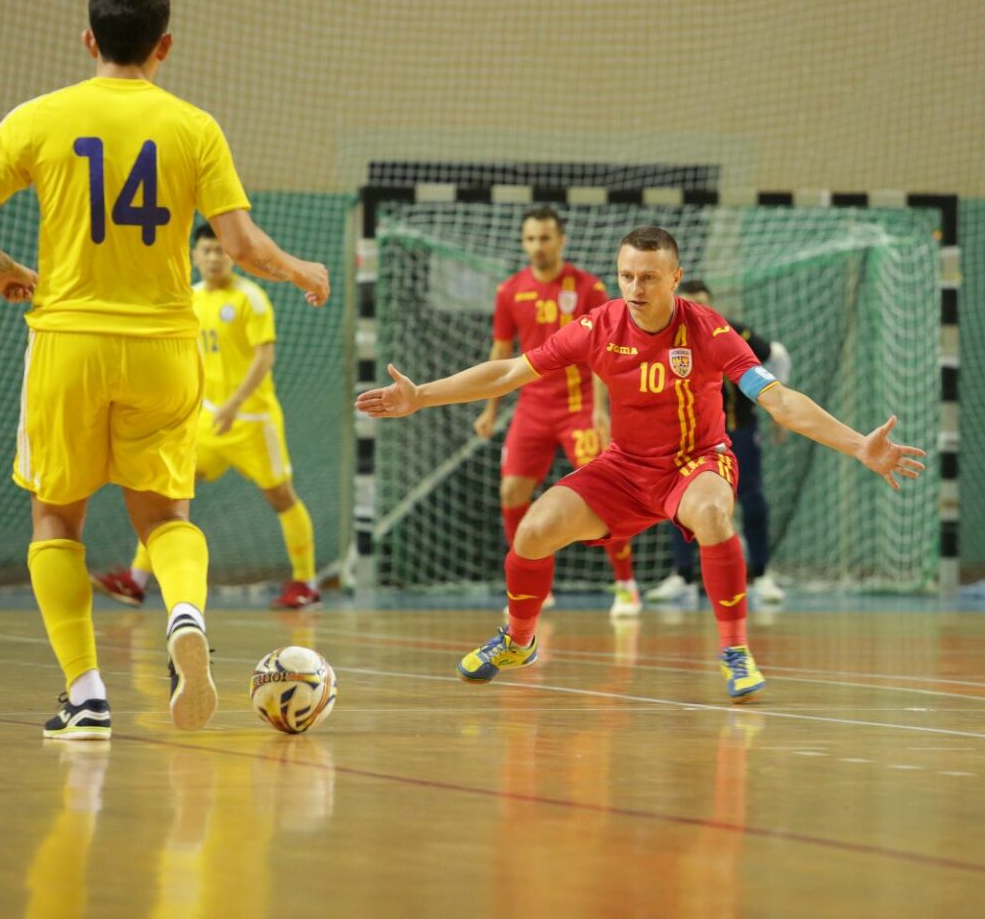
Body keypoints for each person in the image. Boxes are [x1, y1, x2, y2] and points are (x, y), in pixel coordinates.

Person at [0, 0, 331, 739]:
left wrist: (6, 269)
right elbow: (244, 245)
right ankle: (184, 610)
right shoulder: (194, 127)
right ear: (166, 46)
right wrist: (300, 271)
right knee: (165, 514)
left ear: (89, 39)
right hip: (163, 346)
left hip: (68, 343)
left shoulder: (41, 117)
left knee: (56, 516)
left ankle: (86, 694)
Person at [358, 226, 924, 701]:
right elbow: (506, 373)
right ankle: (519, 640)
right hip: (624, 469)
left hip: (695, 462)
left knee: (713, 516)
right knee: (532, 531)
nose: (635, 287)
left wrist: (857, 445)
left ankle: (735, 650)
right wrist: (421, 395)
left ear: (675, 278)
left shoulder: (708, 330)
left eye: (649, 276)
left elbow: (779, 400)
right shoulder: (598, 325)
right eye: (627, 275)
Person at [93, 223, 322, 610]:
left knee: (281, 498)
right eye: (207, 251)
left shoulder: (252, 298)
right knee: (168, 493)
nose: (215, 257)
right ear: (194, 256)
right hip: (206, 422)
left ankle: (306, 583)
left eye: (221, 250)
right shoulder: (188, 298)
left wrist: (234, 404)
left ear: (232, 255)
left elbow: (264, 357)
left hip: (251, 421)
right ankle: (136, 579)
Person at [471, 207, 640, 618]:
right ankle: (531, 587)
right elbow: (501, 354)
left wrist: (601, 411)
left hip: (580, 406)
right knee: (512, 492)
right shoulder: (509, 291)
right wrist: (490, 410)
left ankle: (625, 585)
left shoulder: (588, 287)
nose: (537, 246)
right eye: (530, 239)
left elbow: (607, 353)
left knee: (607, 497)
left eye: (545, 238)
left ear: (561, 240)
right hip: (532, 407)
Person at [646, 280, 786, 605]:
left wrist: (780, 412)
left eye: (701, 304)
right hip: (686, 438)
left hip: (738, 431)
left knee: (752, 500)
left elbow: (776, 354)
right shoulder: (662, 340)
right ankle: (683, 577)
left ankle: (762, 575)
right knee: (677, 502)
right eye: (686, 304)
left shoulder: (733, 333)